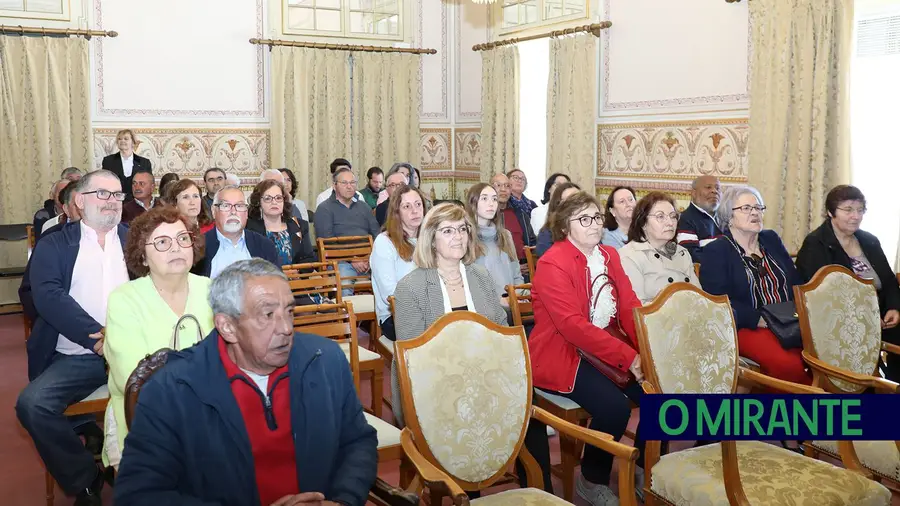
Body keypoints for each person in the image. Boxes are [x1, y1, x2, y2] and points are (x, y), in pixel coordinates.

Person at [113, 259, 378, 506]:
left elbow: (357, 441)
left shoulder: (325, 361)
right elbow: (138, 494)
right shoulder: (172, 390)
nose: (286, 327)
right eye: (268, 315)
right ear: (227, 327)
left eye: (289, 311)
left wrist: (342, 500)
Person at [390, 203, 552, 493]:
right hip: (436, 387)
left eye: (463, 229)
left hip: (486, 376)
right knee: (466, 416)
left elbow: (501, 332)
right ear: (431, 238)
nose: (458, 237)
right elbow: (414, 359)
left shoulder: (479, 276)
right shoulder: (411, 287)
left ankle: (540, 493)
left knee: (531, 410)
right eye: (448, 230)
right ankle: (468, 492)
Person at [17, 169, 130, 506]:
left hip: (135, 350)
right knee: (32, 405)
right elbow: (48, 296)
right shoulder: (54, 244)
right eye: (103, 194)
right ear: (80, 201)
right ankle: (85, 478)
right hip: (81, 358)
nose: (112, 202)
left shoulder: (136, 238)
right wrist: (97, 337)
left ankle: (150, 471)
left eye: (118, 195)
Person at [529, 191, 645, 505]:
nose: (594, 224)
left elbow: (629, 308)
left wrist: (646, 351)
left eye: (596, 217)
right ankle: (592, 480)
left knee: (656, 393)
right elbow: (572, 326)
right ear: (565, 227)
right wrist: (628, 357)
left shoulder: (609, 255)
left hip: (606, 346)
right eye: (584, 219)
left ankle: (644, 466)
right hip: (563, 352)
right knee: (615, 408)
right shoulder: (553, 262)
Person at [103, 206, 214, 469]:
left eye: (183, 238)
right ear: (142, 256)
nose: (176, 248)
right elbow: (134, 378)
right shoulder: (124, 300)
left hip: (212, 416)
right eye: (162, 242)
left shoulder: (211, 289)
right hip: (143, 423)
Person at [699, 185, 809, 385]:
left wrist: (802, 310)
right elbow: (717, 301)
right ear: (729, 217)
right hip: (749, 326)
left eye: (758, 208)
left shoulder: (771, 239)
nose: (755, 213)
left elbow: (795, 281)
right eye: (746, 208)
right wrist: (757, 318)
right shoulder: (717, 250)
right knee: (788, 365)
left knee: (828, 355)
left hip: (789, 321)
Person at [796, 185, 900, 380]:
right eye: (848, 210)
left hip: (881, 315)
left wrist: (894, 307)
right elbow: (820, 296)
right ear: (830, 212)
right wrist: (864, 318)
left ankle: (893, 388)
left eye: (860, 210)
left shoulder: (869, 240)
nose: (856, 216)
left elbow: (888, 280)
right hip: (841, 319)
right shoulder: (816, 244)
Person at [619, 192, 699, 304]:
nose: (670, 223)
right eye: (660, 216)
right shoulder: (629, 256)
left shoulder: (682, 253)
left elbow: (699, 298)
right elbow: (637, 308)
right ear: (643, 223)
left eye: (673, 216)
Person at [314, 168, 380, 295]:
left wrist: (368, 258)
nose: (349, 187)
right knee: (344, 284)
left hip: (368, 259)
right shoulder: (324, 209)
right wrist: (352, 259)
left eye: (353, 182)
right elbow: (327, 243)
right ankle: (346, 313)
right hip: (341, 262)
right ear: (334, 185)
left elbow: (376, 234)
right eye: (344, 183)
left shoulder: (363, 207)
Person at [371, 185, 425, 341]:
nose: (414, 211)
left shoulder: (430, 238)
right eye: (406, 207)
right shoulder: (384, 242)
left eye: (418, 204)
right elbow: (391, 292)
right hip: (395, 317)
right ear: (397, 213)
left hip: (430, 309)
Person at [465, 183, 524, 319]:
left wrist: (519, 297)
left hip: (512, 306)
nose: (491, 204)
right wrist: (497, 301)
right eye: (484, 199)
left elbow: (516, 275)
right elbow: (467, 284)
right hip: (482, 311)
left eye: (494, 199)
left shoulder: (505, 235)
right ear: (473, 203)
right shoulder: (465, 237)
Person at [194, 185, 279, 278]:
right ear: (214, 211)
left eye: (239, 206)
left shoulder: (264, 246)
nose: (233, 212)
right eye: (226, 206)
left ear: (246, 212)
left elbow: (278, 285)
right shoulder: (199, 246)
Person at [246, 180, 317, 267]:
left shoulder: (299, 226)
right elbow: (252, 264)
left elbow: (309, 259)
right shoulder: (249, 228)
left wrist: (297, 271)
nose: (274, 202)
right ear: (258, 202)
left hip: (297, 278)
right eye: (268, 198)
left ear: (284, 201)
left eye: (278, 198)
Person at [491, 173, 536, 275]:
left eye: (507, 186)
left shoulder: (521, 214)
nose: (503, 189)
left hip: (525, 270)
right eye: (498, 185)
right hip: (499, 271)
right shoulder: (487, 216)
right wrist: (512, 268)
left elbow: (532, 241)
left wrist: (531, 262)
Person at [676, 175, 723, 263]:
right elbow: (691, 257)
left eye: (718, 188)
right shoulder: (686, 220)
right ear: (693, 193)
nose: (714, 191)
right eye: (708, 187)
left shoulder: (726, 219)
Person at [102, 129, 152, 200]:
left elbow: (148, 184)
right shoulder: (108, 161)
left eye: (126, 139)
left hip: (137, 202)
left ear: (133, 142)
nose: (122, 141)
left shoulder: (144, 162)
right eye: (119, 139)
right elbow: (105, 183)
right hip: (115, 200)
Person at [535, 182, 581, 257]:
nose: (575, 204)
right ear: (557, 206)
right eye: (570, 200)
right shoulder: (547, 234)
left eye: (579, 199)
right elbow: (549, 261)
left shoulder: (590, 228)